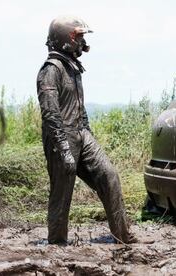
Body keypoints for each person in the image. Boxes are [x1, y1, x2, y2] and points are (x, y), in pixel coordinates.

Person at [36, 15, 134, 245]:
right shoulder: (50, 70)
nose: (82, 42)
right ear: (65, 38)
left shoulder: (73, 67)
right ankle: (57, 244)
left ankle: (123, 236)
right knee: (62, 194)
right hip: (61, 138)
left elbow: (78, 106)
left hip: (81, 134)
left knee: (109, 176)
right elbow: (51, 114)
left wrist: (88, 134)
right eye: (78, 36)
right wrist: (64, 150)